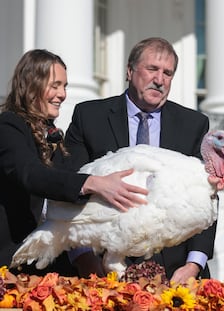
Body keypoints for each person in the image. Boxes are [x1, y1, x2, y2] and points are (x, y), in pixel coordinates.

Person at [58, 37, 216, 284]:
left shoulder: (193, 125)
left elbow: (206, 198)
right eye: (152, 69)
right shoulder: (89, 117)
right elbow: (68, 184)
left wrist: (194, 264)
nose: (160, 80)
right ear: (130, 71)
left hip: (172, 270)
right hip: (101, 265)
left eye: (168, 73)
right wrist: (83, 257)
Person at [0, 49, 147, 276]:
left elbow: (66, 197)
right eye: (55, 85)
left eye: (65, 86)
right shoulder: (9, 126)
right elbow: (30, 174)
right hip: (9, 264)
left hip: (48, 268)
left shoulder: (53, 136)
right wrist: (92, 183)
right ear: (31, 85)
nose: (62, 94)